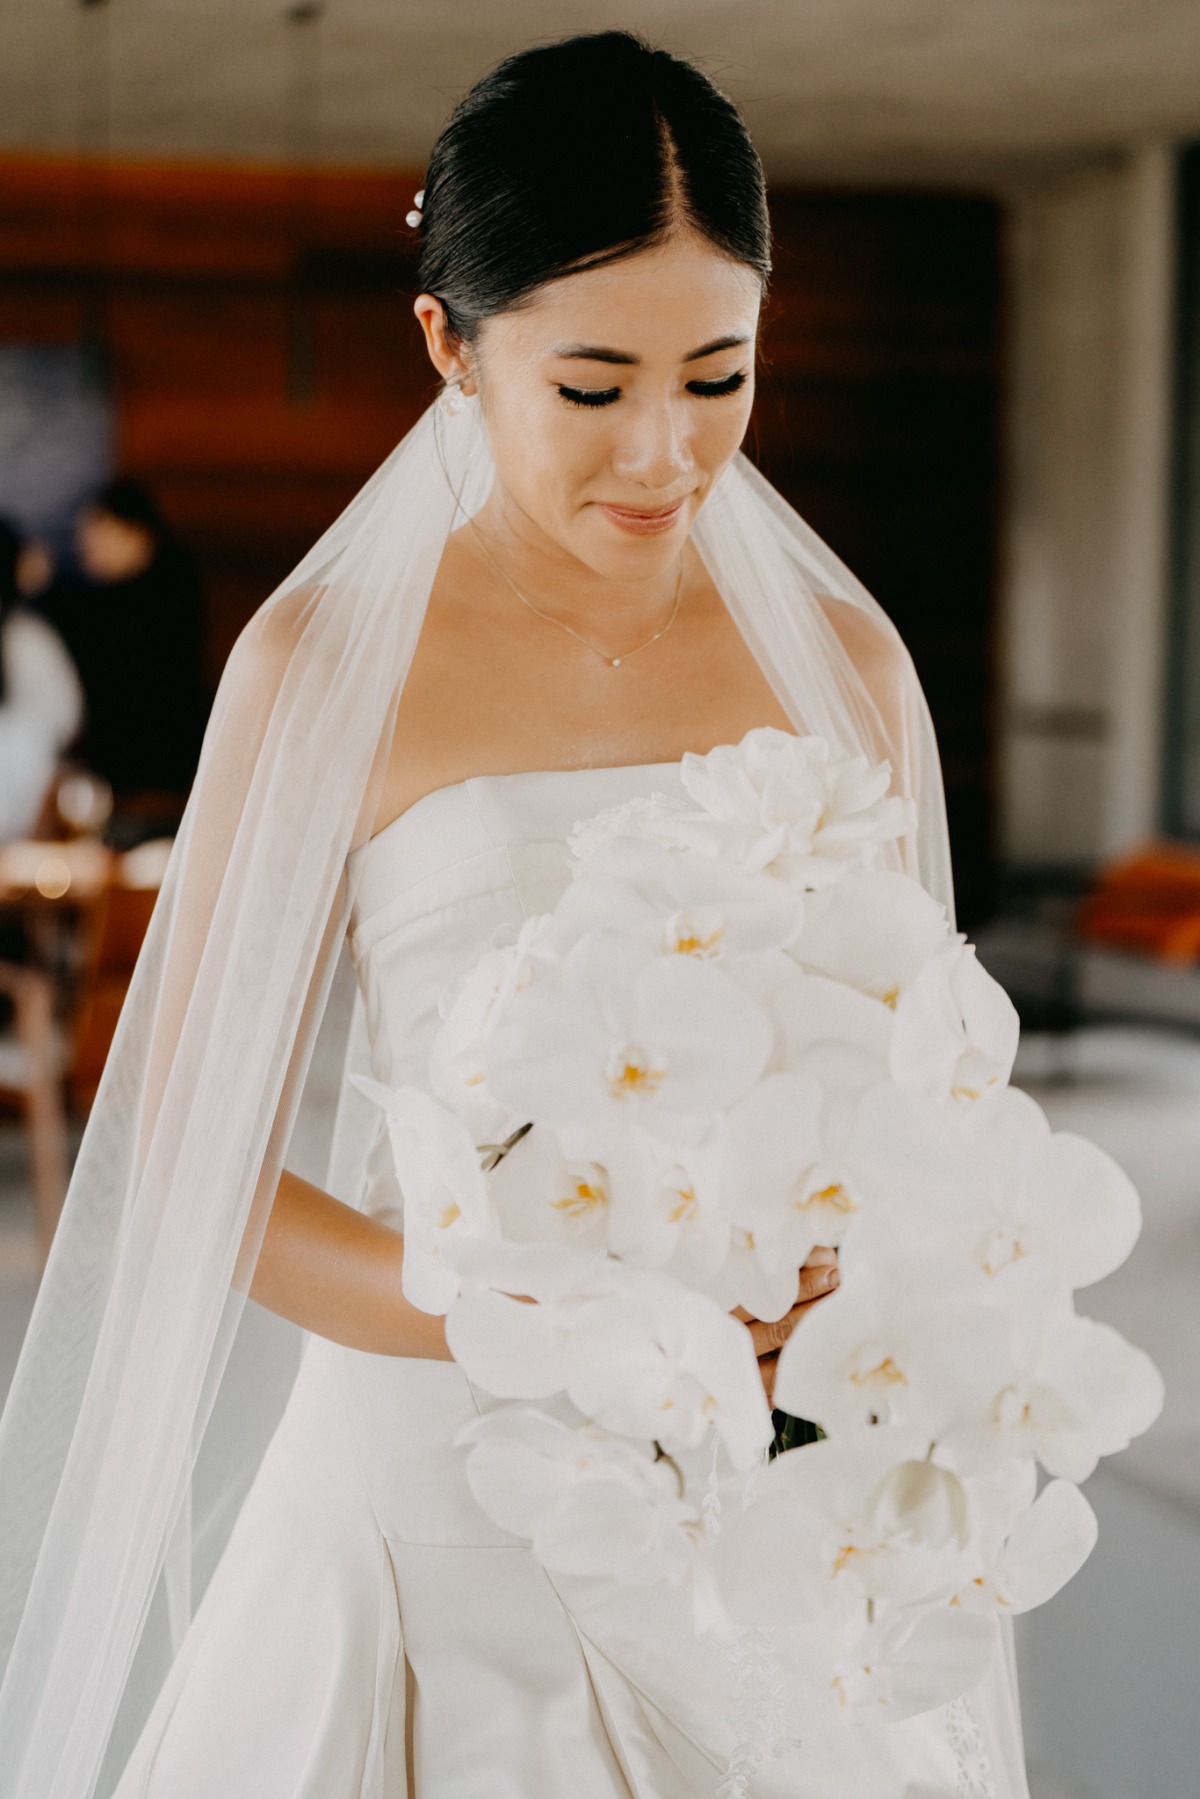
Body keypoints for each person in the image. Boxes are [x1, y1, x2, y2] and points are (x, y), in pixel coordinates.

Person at [0, 33, 1028, 1799]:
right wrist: (518, 1302)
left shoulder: (844, 663)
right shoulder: (327, 663)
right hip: (435, 1476)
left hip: (757, 1480)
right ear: (448, 346)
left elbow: (919, 1102)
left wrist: (856, 1282)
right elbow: (185, 1150)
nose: (666, 451)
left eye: (721, 375)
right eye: (593, 384)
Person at [46, 477, 206, 807]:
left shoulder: (168, 588)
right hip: (133, 767)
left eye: (93, 538)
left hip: (157, 769)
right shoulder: (149, 586)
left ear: (130, 529)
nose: (84, 550)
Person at [0, 518, 83, 843]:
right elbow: (68, 718)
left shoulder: (30, 642)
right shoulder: (33, 640)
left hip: (27, 827)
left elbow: (65, 722)